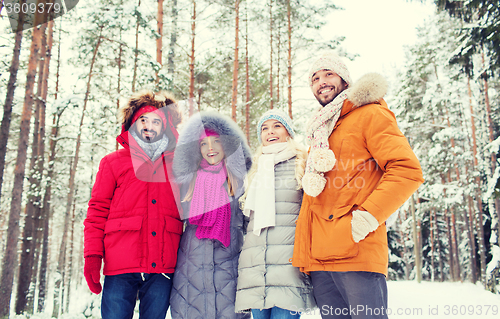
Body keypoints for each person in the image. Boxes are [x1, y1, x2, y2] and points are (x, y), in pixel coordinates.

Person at [292, 52, 424, 319]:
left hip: (356, 251)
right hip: (320, 260)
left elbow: (406, 170)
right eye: (315, 78)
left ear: (344, 79)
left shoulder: (370, 114)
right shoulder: (321, 130)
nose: (321, 82)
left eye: (328, 74)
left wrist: (369, 216)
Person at [83, 90, 183, 319]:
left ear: (165, 127)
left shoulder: (178, 166)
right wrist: (92, 255)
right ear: (132, 123)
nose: (149, 125)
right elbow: (97, 212)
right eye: (143, 119)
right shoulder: (113, 163)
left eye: (156, 121)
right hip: (121, 264)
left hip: (162, 267)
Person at [169, 111, 252, 319]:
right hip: (191, 275)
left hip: (229, 272)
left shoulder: (241, 183)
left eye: (216, 141)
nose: (211, 148)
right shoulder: (188, 182)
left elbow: (251, 227)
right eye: (203, 143)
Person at [235, 109, 316, 319]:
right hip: (254, 267)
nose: (270, 131)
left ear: (288, 132)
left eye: (277, 126)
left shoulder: (303, 162)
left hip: (288, 266)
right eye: (264, 128)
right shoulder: (253, 169)